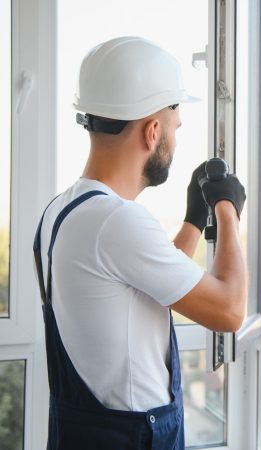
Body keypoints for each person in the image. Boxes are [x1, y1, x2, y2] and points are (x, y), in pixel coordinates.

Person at [32, 36, 247, 449]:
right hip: (131, 438)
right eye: (175, 128)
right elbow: (230, 311)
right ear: (152, 131)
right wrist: (227, 209)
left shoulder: (60, 212)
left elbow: (144, 290)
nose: (177, 141)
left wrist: (192, 221)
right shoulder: (116, 221)